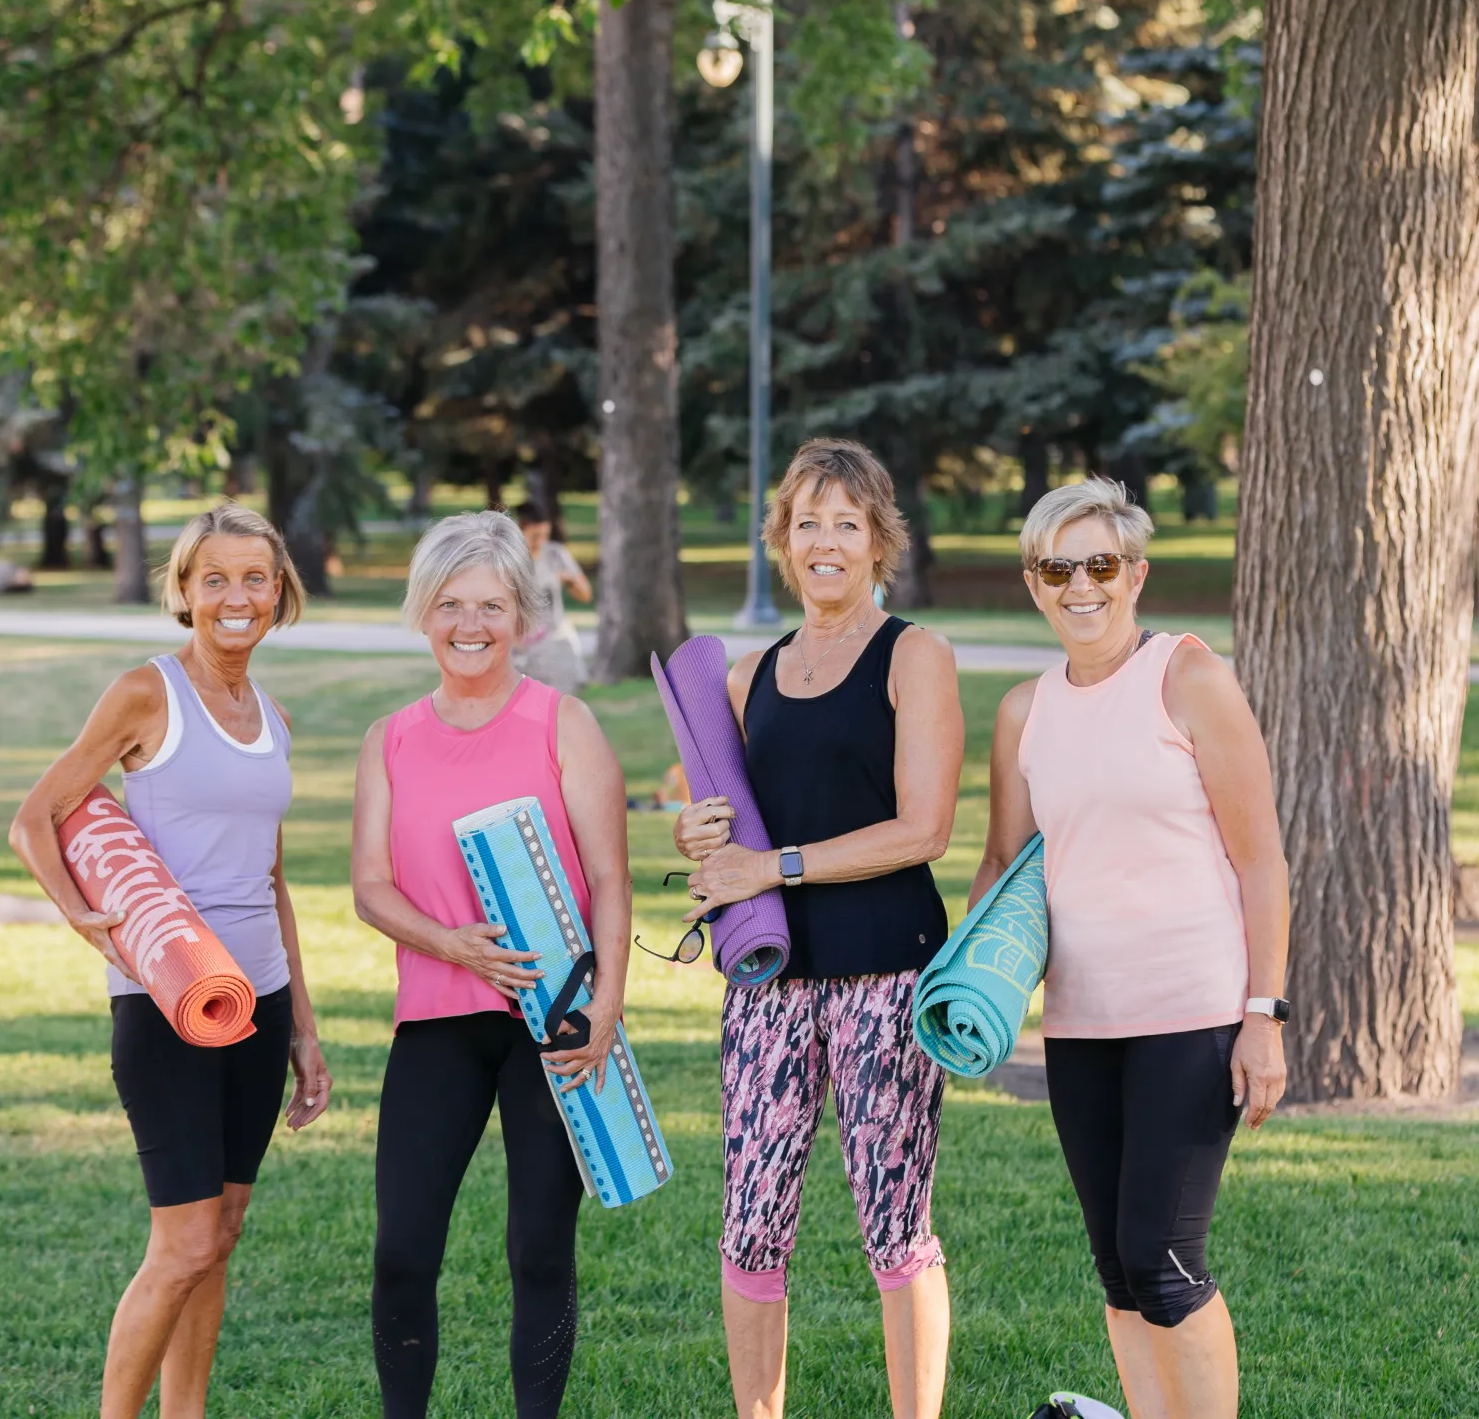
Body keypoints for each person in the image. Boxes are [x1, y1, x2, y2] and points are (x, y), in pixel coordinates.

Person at [970, 478, 1290, 1419]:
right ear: (1034, 583)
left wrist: (1262, 1015)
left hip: (1192, 1016)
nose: (1082, 587)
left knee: (1165, 1255)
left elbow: (1262, 858)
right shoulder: (1024, 713)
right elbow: (1002, 864)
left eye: (1101, 565)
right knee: (1117, 1264)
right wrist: (967, 990)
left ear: (1136, 574)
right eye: (1058, 568)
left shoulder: (1190, 678)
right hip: (1081, 1024)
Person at [8, 502, 333, 1419]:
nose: (237, 597)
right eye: (216, 579)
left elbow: (271, 882)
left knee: (222, 1233)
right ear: (184, 593)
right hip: (167, 1002)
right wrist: (83, 919)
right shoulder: (146, 693)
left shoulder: (276, 718)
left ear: (280, 593)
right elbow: (35, 818)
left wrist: (304, 1029)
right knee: (183, 1242)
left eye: (256, 579)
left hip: (260, 1001)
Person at [672, 438, 964, 1419]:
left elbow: (925, 826)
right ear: (783, 543)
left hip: (888, 970)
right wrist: (700, 831)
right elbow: (723, 815)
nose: (825, 541)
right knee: (752, 1222)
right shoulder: (748, 674)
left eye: (847, 521)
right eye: (807, 522)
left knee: (895, 1222)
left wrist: (775, 865)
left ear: (879, 539)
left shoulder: (914, 653)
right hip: (770, 980)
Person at [350, 510, 632, 1419]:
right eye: (450, 605)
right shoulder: (389, 738)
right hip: (436, 1020)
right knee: (402, 1250)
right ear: (422, 613)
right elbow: (369, 886)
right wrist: (451, 943)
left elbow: (611, 884)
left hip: (551, 1026)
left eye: (492, 605)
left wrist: (607, 1010)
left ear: (524, 616)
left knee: (540, 1248)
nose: (470, 625)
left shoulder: (564, 722)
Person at [510, 500, 591, 694]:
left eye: (545, 534)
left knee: (558, 701)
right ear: (521, 530)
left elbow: (586, 594)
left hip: (553, 639)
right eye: (535, 535)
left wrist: (569, 580)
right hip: (518, 642)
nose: (541, 540)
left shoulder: (555, 554)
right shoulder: (509, 558)